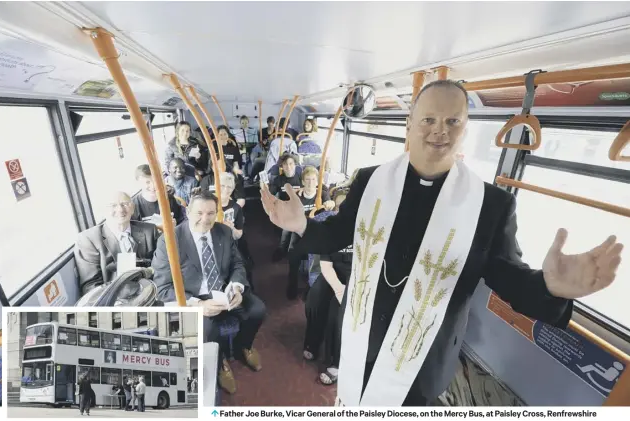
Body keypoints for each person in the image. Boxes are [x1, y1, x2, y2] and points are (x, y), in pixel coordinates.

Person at [261, 79, 624, 406]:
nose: (440, 131)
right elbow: (339, 232)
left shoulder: (490, 206)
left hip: (423, 359)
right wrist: (302, 227)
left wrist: (551, 288)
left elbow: (509, 279)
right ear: (409, 124)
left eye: (453, 122)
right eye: (428, 120)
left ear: (466, 129)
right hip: (362, 337)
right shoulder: (370, 181)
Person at [151, 192, 266, 395]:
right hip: (196, 298)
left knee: (257, 310)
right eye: (199, 213)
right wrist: (197, 305)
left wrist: (237, 287)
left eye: (211, 213)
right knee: (207, 331)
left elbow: (238, 264)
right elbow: (163, 288)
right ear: (187, 212)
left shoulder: (223, 231)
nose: (205, 219)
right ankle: (220, 361)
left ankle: (244, 346)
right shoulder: (169, 241)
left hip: (224, 290)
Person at [303, 193, 349, 385]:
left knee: (336, 313)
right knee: (315, 299)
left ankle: (335, 363)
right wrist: (338, 289)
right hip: (332, 273)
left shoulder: (367, 230)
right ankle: (313, 342)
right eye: (339, 208)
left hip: (357, 279)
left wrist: (345, 292)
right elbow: (326, 266)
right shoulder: (332, 231)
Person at [74, 191, 159, 294]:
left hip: (149, 291)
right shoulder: (89, 239)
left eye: (125, 204)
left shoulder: (150, 230)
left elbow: (161, 267)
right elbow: (91, 286)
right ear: (103, 210)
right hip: (114, 298)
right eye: (113, 205)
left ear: (132, 208)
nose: (120, 209)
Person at [286, 166, 335, 299]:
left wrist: (330, 203)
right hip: (300, 231)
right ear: (302, 182)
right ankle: (292, 285)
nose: (310, 183)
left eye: (313, 179)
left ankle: (312, 285)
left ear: (317, 182)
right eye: (307, 180)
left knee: (321, 256)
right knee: (293, 254)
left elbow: (329, 204)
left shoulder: (323, 194)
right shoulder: (297, 196)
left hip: (317, 231)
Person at [269, 154, 303, 263]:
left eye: (291, 164)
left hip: (301, 209)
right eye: (285, 164)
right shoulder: (279, 180)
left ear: (295, 165)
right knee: (286, 231)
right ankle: (282, 249)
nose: (288, 167)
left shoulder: (301, 177)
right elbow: (271, 194)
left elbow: (316, 187)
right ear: (281, 166)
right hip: (286, 209)